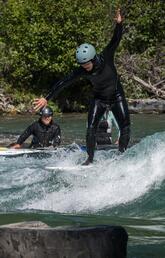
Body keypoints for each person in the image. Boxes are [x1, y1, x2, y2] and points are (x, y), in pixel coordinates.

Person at [33, 9, 130, 165]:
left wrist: (119, 24)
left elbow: (115, 39)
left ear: (93, 58)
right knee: (90, 129)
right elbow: (64, 82)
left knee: (125, 127)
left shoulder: (106, 56)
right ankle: (89, 160)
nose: (84, 67)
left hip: (116, 96)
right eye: (81, 65)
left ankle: (121, 157)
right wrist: (47, 97)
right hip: (99, 98)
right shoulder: (81, 70)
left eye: (86, 64)